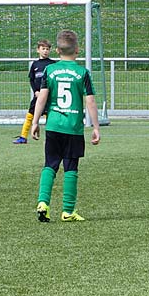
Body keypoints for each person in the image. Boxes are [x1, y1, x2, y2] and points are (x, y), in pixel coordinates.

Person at [32, 30, 100, 222]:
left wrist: (35, 122)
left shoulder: (50, 70)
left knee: (50, 164)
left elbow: (42, 97)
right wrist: (96, 127)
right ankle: (68, 211)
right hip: (73, 128)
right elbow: (90, 101)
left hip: (53, 126)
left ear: (58, 50)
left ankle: (43, 203)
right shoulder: (82, 73)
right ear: (77, 50)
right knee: (71, 168)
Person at [13, 39, 56, 144]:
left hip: (49, 97)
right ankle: (23, 137)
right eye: (43, 49)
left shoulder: (53, 64)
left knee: (49, 118)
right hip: (37, 96)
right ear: (38, 50)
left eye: (47, 49)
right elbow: (32, 80)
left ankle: (50, 139)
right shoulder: (35, 64)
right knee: (30, 115)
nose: (45, 51)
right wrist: (36, 91)